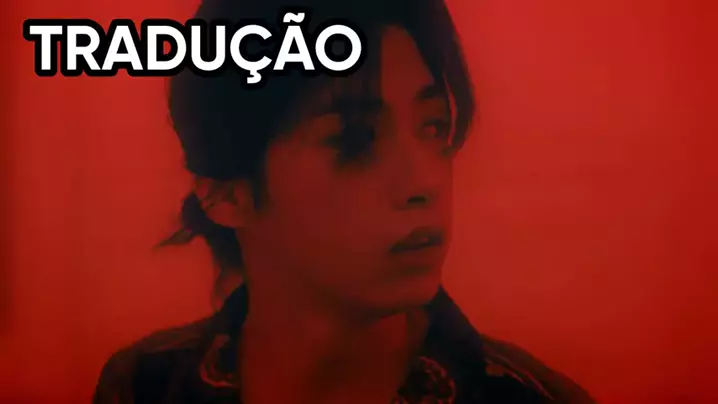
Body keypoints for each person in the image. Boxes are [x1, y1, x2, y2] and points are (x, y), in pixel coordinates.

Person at [93, 0, 595, 403]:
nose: (424, 181)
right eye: (355, 140)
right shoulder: (145, 386)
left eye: (433, 127)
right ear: (225, 191)